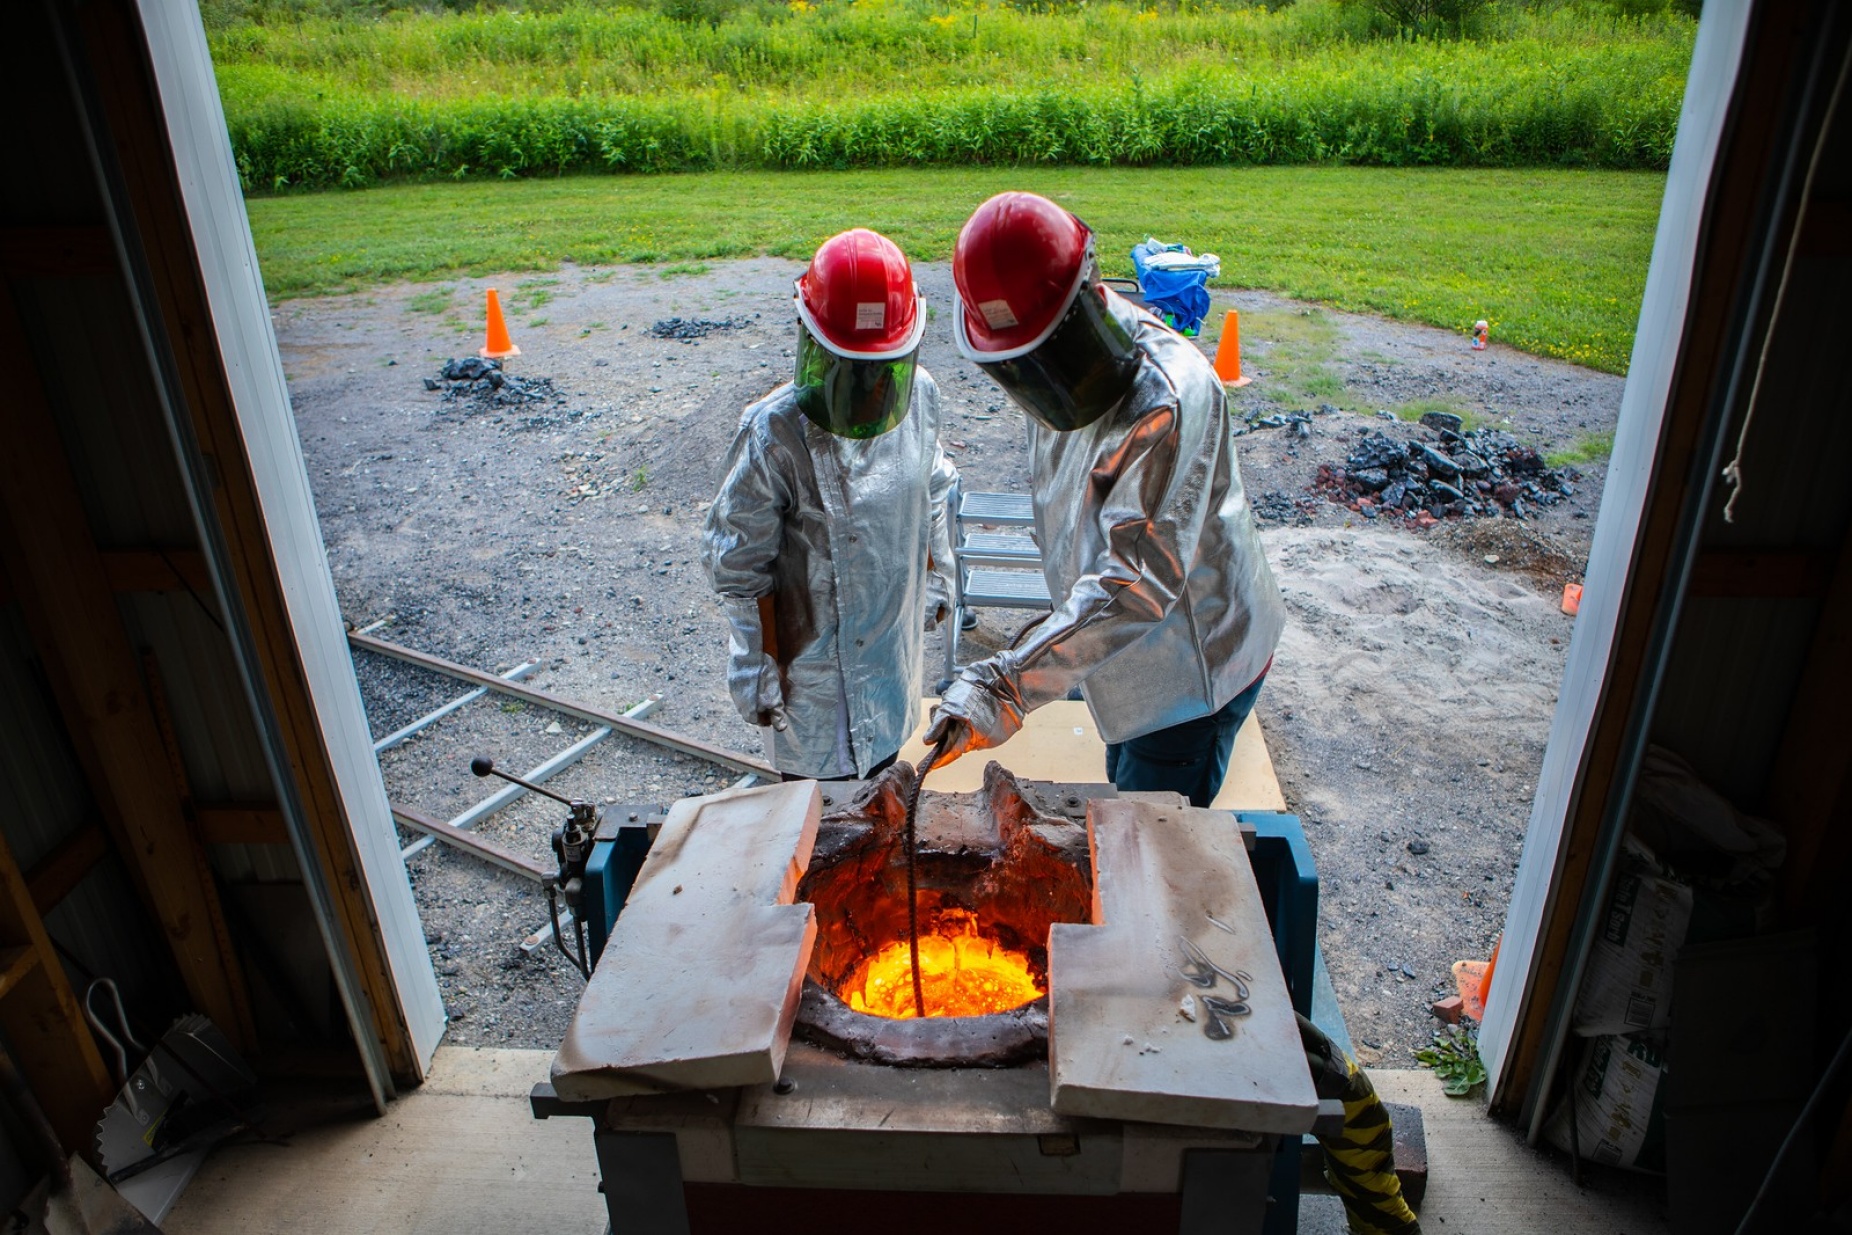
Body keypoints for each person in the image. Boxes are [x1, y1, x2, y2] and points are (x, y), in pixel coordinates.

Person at [926, 192, 1284, 808]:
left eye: (1041, 356)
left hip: (1186, 673)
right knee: (1122, 775)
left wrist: (1004, 684)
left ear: (1087, 301)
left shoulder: (1169, 400)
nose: (1034, 378)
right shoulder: (1056, 369)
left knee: (1149, 840)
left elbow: (1134, 582)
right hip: (1121, 652)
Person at [702, 228, 958, 782]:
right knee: (820, 834)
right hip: (812, 684)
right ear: (809, 337)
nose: (870, 388)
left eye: (881, 369)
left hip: (889, 662)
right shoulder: (773, 434)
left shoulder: (920, 400)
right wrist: (757, 660)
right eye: (852, 370)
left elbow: (933, 490)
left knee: (882, 801)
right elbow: (739, 563)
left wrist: (939, 572)